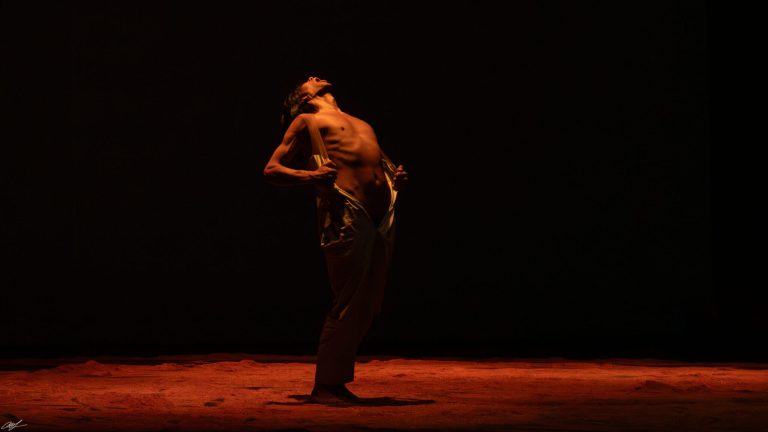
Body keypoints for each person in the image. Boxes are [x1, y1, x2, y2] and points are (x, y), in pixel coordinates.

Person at [263, 76, 408, 404]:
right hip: (348, 214)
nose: (314, 77)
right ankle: (327, 386)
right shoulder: (307, 121)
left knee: (369, 301)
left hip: (382, 217)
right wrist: (311, 175)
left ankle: (335, 381)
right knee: (348, 299)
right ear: (303, 100)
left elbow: (380, 165)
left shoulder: (361, 123)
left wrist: (395, 177)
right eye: (308, 81)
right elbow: (271, 169)